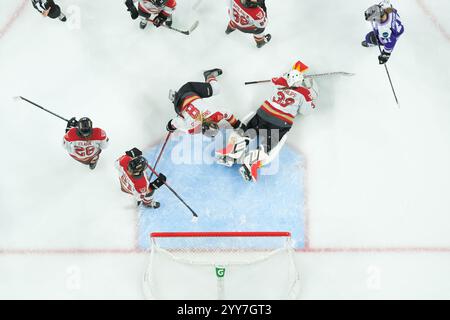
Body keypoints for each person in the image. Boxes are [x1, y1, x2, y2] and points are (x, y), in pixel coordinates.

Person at [216, 61, 319, 182]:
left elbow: (275, 79)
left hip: (263, 113)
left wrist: (292, 73)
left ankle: (232, 151)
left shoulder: (280, 85)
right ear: (300, 81)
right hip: (280, 122)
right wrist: (311, 92)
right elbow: (307, 111)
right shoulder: (304, 92)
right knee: (269, 144)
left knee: (249, 131)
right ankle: (251, 162)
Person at [166, 68, 243, 137]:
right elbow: (175, 122)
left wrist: (236, 125)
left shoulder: (215, 116)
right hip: (183, 100)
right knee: (215, 90)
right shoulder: (191, 130)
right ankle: (209, 75)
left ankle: (209, 76)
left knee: (216, 89)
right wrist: (170, 127)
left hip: (188, 92)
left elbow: (227, 114)